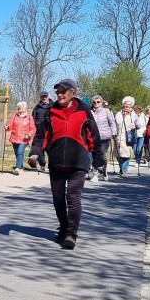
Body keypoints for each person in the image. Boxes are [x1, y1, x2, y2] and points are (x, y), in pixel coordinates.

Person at [29, 79, 102, 250]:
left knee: (73, 197)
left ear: (73, 93)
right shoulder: (50, 112)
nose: (60, 94)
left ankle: (71, 233)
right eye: (58, 92)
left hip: (78, 162)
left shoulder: (84, 111)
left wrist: (98, 158)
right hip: (56, 162)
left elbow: (93, 135)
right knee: (58, 198)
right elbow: (41, 136)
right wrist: (35, 153)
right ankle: (63, 227)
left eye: (63, 91)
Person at [89, 95, 117, 181]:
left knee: (103, 156)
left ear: (101, 102)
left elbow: (112, 123)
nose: (96, 103)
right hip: (93, 137)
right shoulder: (90, 112)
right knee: (95, 156)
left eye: (98, 102)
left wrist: (114, 133)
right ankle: (95, 174)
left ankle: (104, 171)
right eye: (94, 102)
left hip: (104, 137)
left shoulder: (106, 111)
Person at [5, 101, 36, 174]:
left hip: (24, 139)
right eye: (19, 109)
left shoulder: (29, 117)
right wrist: (7, 127)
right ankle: (21, 168)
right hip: (14, 138)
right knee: (17, 154)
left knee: (20, 152)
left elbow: (33, 128)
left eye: (22, 109)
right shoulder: (14, 116)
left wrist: (28, 135)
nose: (21, 111)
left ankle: (18, 168)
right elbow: (10, 125)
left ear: (26, 109)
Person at [114, 96, 140, 176]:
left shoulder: (134, 115)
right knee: (118, 154)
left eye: (129, 105)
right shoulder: (118, 114)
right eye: (125, 104)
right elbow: (114, 124)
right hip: (118, 137)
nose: (127, 106)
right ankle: (121, 167)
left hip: (128, 138)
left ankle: (124, 170)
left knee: (126, 154)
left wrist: (137, 124)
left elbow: (138, 126)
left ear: (131, 106)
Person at [30, 91, 53, 171]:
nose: (44, 98)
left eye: (45, 96)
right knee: (38, 149)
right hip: (39, 132)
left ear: (48, 97)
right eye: (42, 96)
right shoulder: (37, 107)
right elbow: (33, 119)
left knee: (51, 150)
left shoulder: (53, 106)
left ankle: (52, 166)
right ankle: (42, 165)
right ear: (40, 97)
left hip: (50, 132)